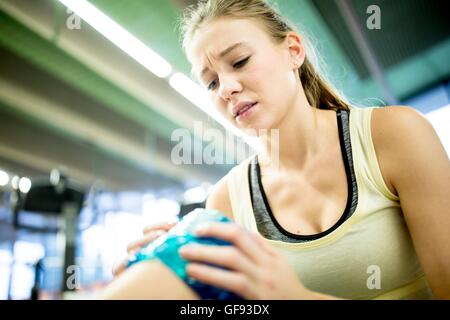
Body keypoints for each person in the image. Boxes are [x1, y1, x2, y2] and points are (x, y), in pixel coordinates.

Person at [99, 0, 450, 299]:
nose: (226, 89)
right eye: (211, 82)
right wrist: (169, 279)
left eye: (239, 62)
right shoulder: (227, 199)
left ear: (293, 51)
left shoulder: (394, 134)